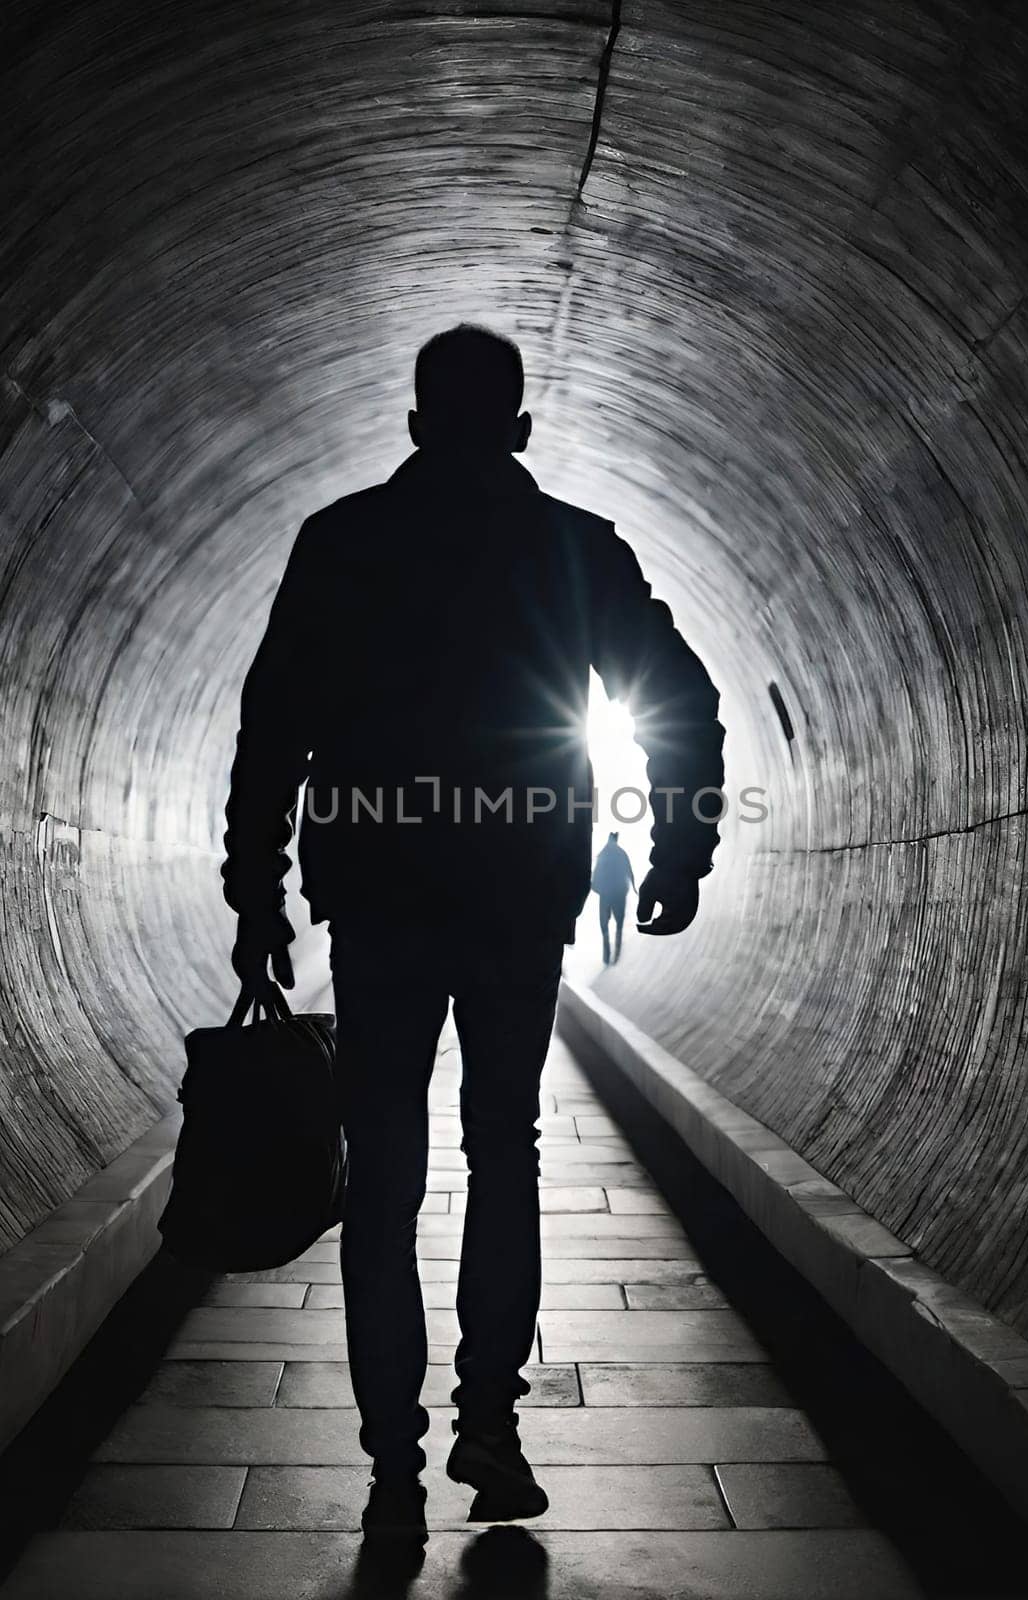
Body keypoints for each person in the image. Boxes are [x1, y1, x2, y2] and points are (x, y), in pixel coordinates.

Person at [220, 324, 725, 1538]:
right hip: (516, 901)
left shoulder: (342, 542)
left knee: (384, 1173)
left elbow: (271, 724)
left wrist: (258, 892)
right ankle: (488, 1426)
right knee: (507, 1148)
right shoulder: (576, 548)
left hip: (381, 903)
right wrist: (678, 847)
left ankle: (392, 1460)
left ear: (411, 424)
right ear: (519, 429)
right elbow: (681, 701)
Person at [592, 832, 635, 964]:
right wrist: (633, 886)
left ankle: (607, 955)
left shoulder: (603, 854)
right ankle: (616, 953)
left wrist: (596, 888)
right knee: (619, 924)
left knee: (604, 925)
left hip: (606, 893)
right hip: (619, 893)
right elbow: (629, 870)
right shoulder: (621, 853)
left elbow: (595, 875)